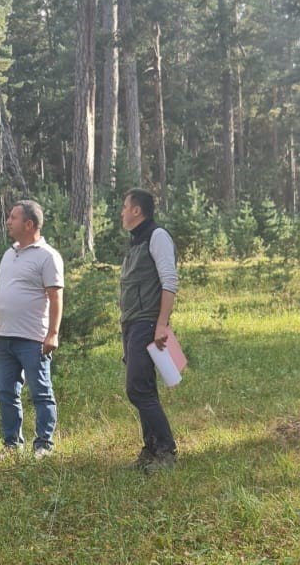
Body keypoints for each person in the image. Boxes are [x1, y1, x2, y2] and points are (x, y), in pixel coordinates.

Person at [0, 200, 64, 458]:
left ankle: (44, 445)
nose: (8, 222)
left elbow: (55, 298)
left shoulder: (48, 256)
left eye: (13, 218)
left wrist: (52, 334)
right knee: (6, 392)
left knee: (41, 392)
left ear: (29, 224)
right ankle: (11, 445)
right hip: (4, 338)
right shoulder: (9, 254)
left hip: (33, 338)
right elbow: (1, 294)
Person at [119, 188, 179, 472]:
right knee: (145, 386)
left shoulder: (157, 236)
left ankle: (167, 451)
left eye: (124, 206)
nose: (121, 212)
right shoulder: (136, 242)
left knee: (137, 389)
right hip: (132, 325)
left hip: (147, 323)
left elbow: (169, 282)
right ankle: (151, 448)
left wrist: (162, 324)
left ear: (137, 211)